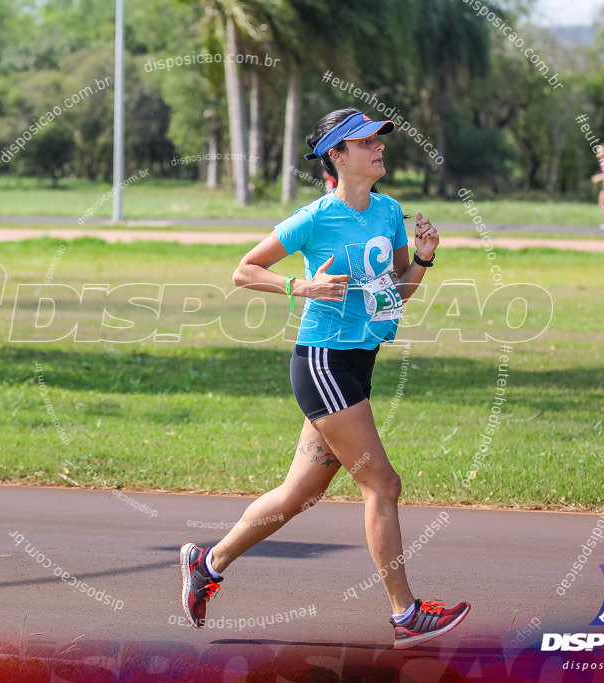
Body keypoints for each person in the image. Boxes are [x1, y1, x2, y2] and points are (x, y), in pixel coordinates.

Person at [179, 108, 470, 649]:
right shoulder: (314, 218)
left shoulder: (389, 212)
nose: (379, 148)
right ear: (337, 156)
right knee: (381, 483)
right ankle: (405, 613)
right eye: (366, 143)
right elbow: (243, 270)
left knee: (298, 494)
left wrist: (425, 259)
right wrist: (300, 287)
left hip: (358, 364)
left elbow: (397, 294)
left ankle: (207, 563)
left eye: (380, 140)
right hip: (322, 363)